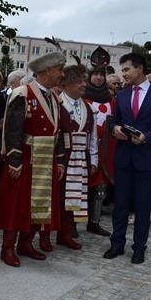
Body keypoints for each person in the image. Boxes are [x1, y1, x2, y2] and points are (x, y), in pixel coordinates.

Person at [0, 50, 65, 266]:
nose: (62, 74)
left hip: (45, 159)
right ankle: (7, 247)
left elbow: (57, 131)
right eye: (60, 70)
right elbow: (13, 129)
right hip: (26, 156)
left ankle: (26, 243)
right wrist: (14, 159)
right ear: (48, 71)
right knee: (16, 204)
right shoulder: (23, 94)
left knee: (38, 206)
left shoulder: (53, 96)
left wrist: (60, 159)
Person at [103, 53, 151, 264]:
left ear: (139, 68)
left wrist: (147, 137)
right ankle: (117, 243)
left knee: (143, 206)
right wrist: (115, 129)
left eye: (126, 70)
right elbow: (112, 121)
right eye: (122, 70)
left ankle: (139, 247)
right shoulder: (122, 95)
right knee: (121, 204)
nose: (123, 74)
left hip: (147, 158)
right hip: (124, 157)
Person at [56, 65, 97, 249]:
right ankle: (48, 234)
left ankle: (66, 233)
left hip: (82, 158)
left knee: (76, 196)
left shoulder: (88, 107)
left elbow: (93, 137)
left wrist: (94, 159)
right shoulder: (57, 104)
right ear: (67, 84)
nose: (83, 84)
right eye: (79, 81)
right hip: (63, 158)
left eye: (83, 81)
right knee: (58, 197)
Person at [83, 47, 114, 236]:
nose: (99, 78)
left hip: (104, 150)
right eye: (95, 75)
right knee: (81, 187)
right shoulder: (82, 96)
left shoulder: (110, 99)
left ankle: (93, 222)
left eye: (101, 75)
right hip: (85, 149)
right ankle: (72, 224)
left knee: (100, 188)